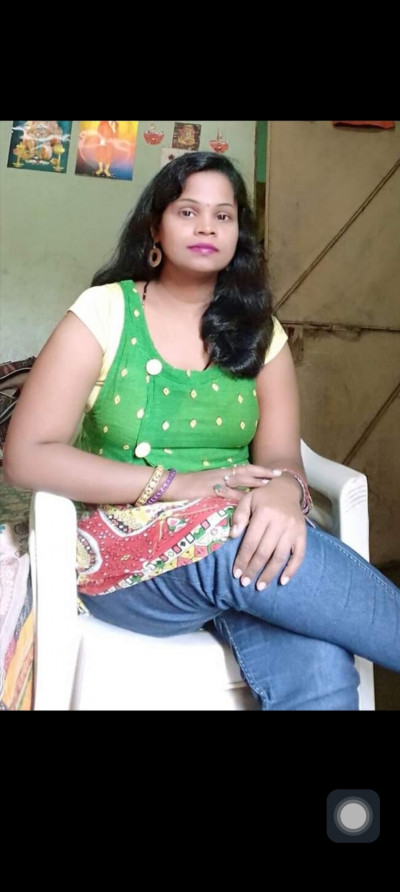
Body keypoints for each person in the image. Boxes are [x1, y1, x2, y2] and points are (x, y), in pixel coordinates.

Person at [4, 151, 400, 711]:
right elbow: (26, 456)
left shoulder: (260, 333)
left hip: (237, 546)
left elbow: (281, 454)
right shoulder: (105, 312)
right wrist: (177, 486)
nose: (207, 226)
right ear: (155, 228)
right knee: (236, 532)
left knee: (317, 661)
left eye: (224, 215)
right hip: (120, 556)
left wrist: (285, 491)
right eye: (188, 212)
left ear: (240, 234)